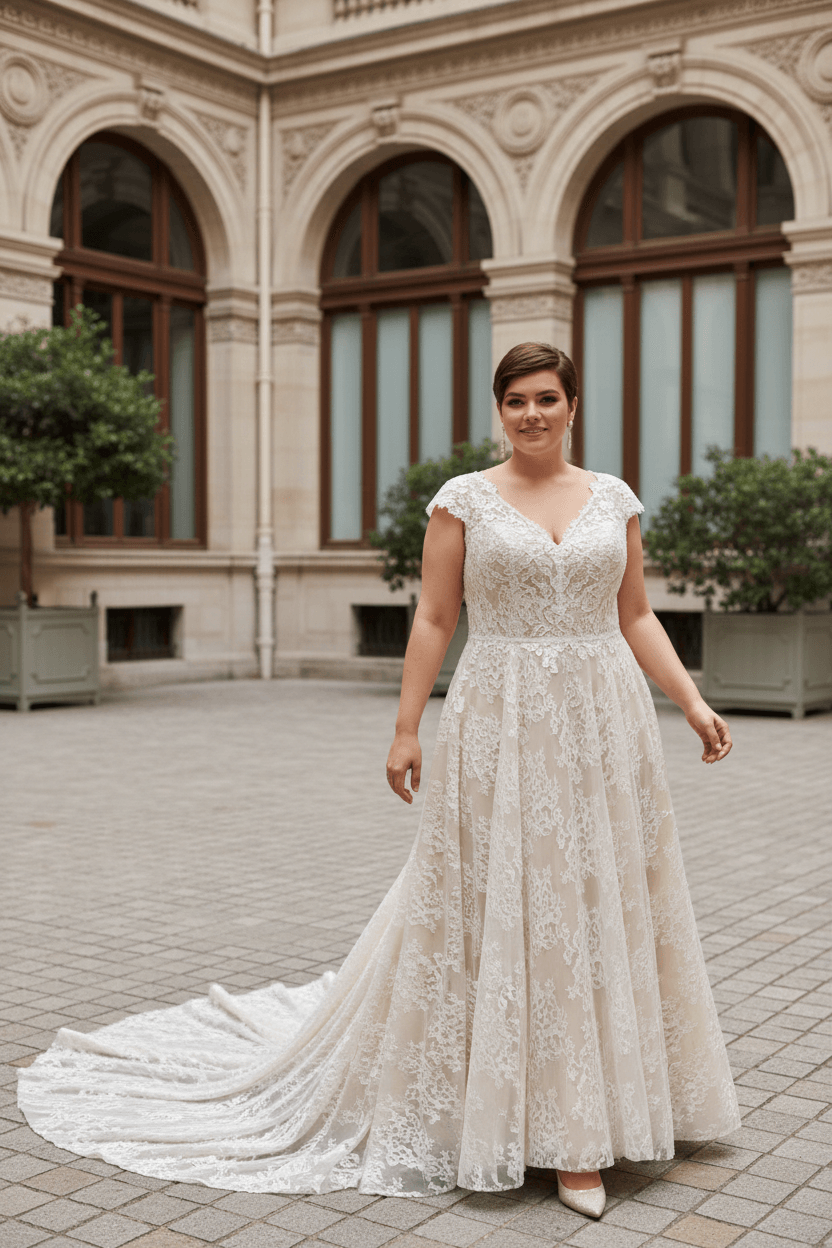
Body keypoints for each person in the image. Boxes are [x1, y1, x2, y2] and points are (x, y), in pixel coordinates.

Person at [18, 342, 740, 1219]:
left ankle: (610, 1107)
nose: (532, 415)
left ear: (573, 405)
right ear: (499, 409)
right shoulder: (465, 502)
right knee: (508, 901)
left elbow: (634, 613)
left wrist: (693, 704)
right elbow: (436, 616)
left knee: (595, 899)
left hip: (605, 725)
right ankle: (556, 1138)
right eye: (515, 400)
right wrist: (406, 727)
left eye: (547, 398)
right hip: (500, 716)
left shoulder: (614, 499)